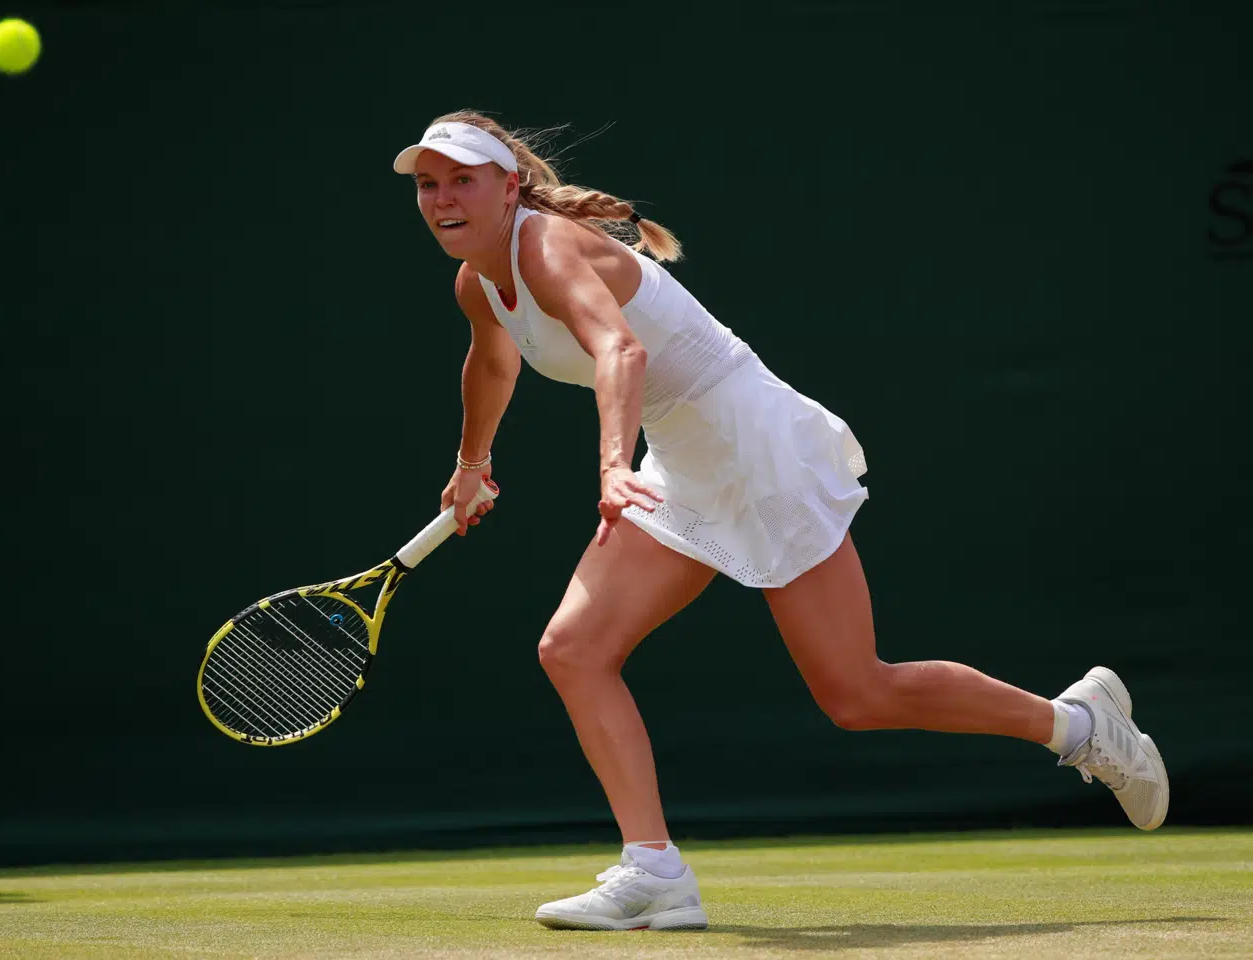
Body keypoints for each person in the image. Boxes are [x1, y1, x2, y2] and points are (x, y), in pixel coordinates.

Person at [391, 111, 1169, 932]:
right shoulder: (477, 283)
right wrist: (470, 465)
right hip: (683, 459)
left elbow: (621, 350)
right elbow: (493, 360)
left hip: (755, 445)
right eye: (429, 185)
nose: (443, 199)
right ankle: (654, 873)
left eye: (462, 180)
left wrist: (612, 464)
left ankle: (1080, 727)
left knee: (857, 694)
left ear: (509, 186)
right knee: (574, 650)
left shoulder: (547, 247)